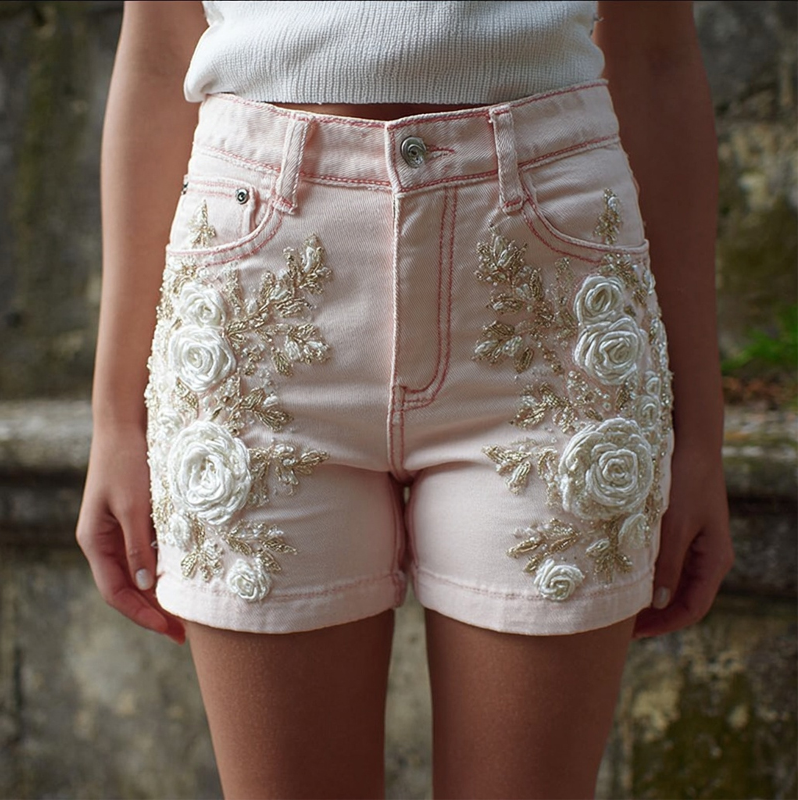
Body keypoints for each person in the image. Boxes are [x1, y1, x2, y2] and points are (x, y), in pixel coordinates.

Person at [76, 2, 733, 797]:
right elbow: (158, 56)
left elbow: (657, 59)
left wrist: (702, 434)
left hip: (550, 296)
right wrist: (114, 420)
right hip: (253, 300)